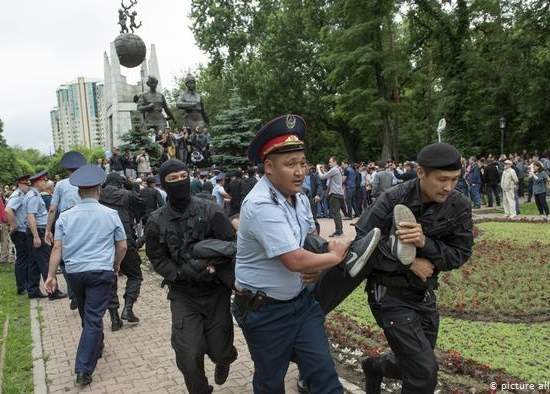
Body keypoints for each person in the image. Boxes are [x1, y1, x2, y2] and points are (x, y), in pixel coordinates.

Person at [235, 115, 382, 394]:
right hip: (263, 311)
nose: (300, 171)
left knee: (324, 376)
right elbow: (295, 260)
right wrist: (336, 256)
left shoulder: (299, 197)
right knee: (270, 383)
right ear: (268, 167)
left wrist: (324, 251)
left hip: (301, 305)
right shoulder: (260, 204)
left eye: (302, 163)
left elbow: (306, 239)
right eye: (290, 165)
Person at [145, 159, 238, 394]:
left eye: (182, 176)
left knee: (220, 348)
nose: (179, 182)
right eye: (172, 178)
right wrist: (178, 273)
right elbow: (156, 257)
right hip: (183, 294)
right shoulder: (156, 221)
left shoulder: (210, 210)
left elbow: (230, 244)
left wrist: (210, 264)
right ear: (163, 184)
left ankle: (223, 360)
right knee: (188, 353)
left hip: (215, 291)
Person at [44, 165, 127, 386]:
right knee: (92, 317)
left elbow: (57, 248)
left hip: (75, 273)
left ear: (79, 192)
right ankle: (83, 369)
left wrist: (51, 275)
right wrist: (116, 265)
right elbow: (122, 246)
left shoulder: (66, 217)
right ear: (99, 190)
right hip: (101, 271)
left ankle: (96, 347)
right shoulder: (110, 214)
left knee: (87, 314)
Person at [99, 173, 145, 330]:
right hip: (125, 239)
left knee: (110, 277)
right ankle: (128, 308)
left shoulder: (98, 194)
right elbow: (141, 205)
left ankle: (114, 318)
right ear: (121, 183)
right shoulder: (127, 195)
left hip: (104, 242)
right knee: (135, 275)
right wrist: (131, 185)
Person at [45, 151, 88, 309]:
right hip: (85, 220)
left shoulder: (61, 185)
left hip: (67, 221)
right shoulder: (86, 181)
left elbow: (52, 209)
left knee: (64, 258)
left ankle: (74, 292)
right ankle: (84, 292)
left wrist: (48, 230)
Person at [25, 171, 67, 300]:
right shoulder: (33, 196)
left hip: (35, 231)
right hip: (38, 230)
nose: (45, 183)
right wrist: (37, 236)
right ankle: (53, 291)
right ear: (38, 182)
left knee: (34, 263)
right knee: (46, 262)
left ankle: (33, 290)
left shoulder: (33, 194)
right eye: (44, 180)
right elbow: (31, 216)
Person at [5, 175, 33, 294]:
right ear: (19, 184)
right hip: (20, 232)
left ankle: (25, 284)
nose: (28, 186)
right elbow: (8, 210)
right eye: (26, 184)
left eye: (29, 183)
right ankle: (22, 287)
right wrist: (14, 225)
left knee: (25, 259)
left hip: (22, 231)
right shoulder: (17, 195)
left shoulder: (22, 194)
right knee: (22, 259)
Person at [317, 157, 345, 237]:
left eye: (330, 162)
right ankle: (339, 230)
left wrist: (318, 169)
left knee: (335, 213)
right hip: (339, 193)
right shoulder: (338, 169)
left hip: (335, 194)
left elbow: (322, 177)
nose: (329, 164)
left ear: (335, 162)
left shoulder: (334, 169)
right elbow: (327, 175)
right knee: (337, 213)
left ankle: (339, 231)